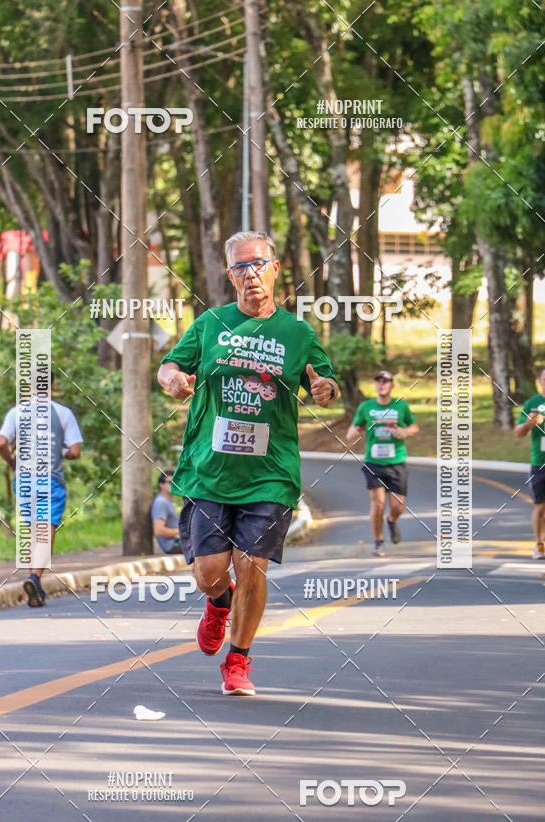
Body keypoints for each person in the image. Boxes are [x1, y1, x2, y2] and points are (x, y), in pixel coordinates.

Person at [157, 230, 338, 696]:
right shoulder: (211, 323)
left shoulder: (297, 333)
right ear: (229, 273)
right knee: (210, 572)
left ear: (276, 268)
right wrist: (173, 380)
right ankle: (219, 602)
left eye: (258, 263)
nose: (250, 274)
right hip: (209, 470)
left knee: (252, 563)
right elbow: (168, 367)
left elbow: (325, 378)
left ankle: (238, 661)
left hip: (270, 474)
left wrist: (325, 389)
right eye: (240, 266)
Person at [0, 371, 83, 607]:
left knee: (33, 527)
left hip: (23, 479)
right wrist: (61, 452)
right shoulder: (63, 413)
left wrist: (12, 461)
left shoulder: (16, 412)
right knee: (46, 527)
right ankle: (35, 576)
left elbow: (0, 443)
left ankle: (34, 577)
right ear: (52, 385)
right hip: (50, 478)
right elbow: (75, 451)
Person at [346, 370, 419, 557]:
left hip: (397, 461)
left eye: (385, 381)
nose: (382, 384)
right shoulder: (366, 407)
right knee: (377, 503)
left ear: (392, 385)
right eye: (378, 381)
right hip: (373, 462)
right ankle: (378, 541)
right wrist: (353, 433)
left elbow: (414, 426)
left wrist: (405, 432)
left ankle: (392, 521)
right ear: (375, 385)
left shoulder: (401, 406)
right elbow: (353, 428)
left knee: (397, 506)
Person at [514, 369, 545, 559]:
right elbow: (518, 433)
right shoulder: (532, 404)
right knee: (541, 507)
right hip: (540, 462)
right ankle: (539, 544)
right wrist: (528, 424)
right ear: (540, 381)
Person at [151, 471, 182, 554]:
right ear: (161, 485)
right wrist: (183, 531)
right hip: (173, 544)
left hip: (180, 541)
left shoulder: (170, 501)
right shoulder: (161, 502)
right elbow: (158, 530)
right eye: (170, 482)